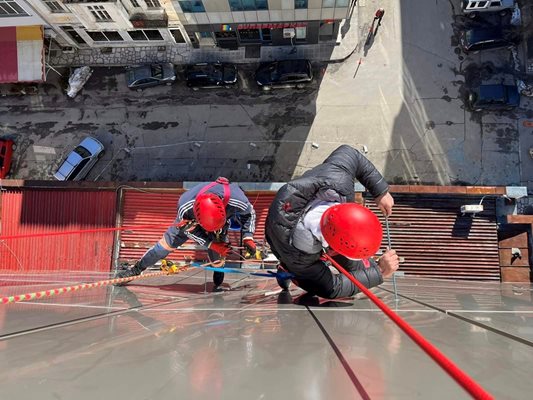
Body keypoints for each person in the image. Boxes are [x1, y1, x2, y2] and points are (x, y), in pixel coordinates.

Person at [265, 145, 399, 299]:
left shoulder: (336, 180)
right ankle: (285, 270)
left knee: (354, 265)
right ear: (332, 249)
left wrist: (380, 191)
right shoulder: (298, 256)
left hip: (300, 214)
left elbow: (349, 153)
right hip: (285, 245)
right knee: (305, 279)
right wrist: (380, 273)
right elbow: (332, 288)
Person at [115, 177, 257, 290]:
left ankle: (218, 268)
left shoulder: (238, 200)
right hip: (190, 222)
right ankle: (136, 270)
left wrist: (247, 237)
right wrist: (211, 244)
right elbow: (189, 231)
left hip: (220, 223)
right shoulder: (185, 206)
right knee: (162, 248)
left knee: (218, 256)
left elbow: (249, 214)